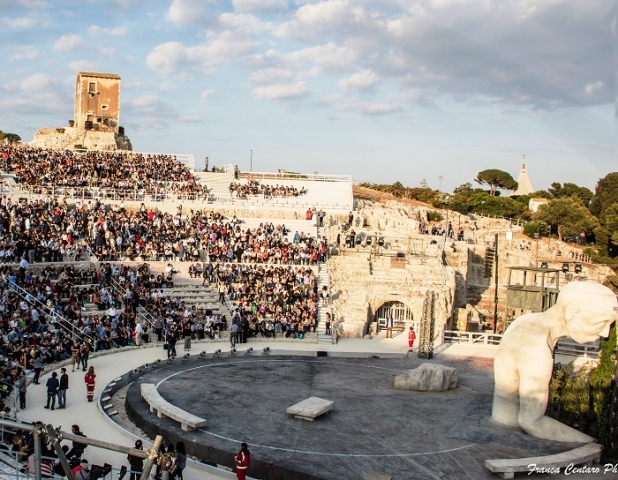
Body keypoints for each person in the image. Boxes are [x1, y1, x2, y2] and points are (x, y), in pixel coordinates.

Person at [492, 282, 618, 443]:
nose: (606, 333)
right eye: (601, 323)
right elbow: (531, 421)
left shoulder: (526, 320)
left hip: (503, 426)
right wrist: (592, 443)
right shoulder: (536, 348)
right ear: (572, 311)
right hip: (511, 445)